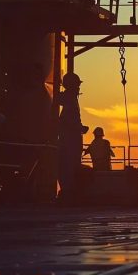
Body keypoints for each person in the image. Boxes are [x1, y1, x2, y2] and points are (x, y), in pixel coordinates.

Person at [57, 72, 84, 203]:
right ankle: (68, 192)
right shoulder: (69, 98)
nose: (79, 88)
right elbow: (69, 120)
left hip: (72, 137)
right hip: (70, 139)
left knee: (71, 165)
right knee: (68, 165)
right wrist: (78, 128)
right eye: (77, 85)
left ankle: (69, 191)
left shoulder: (71, 99)